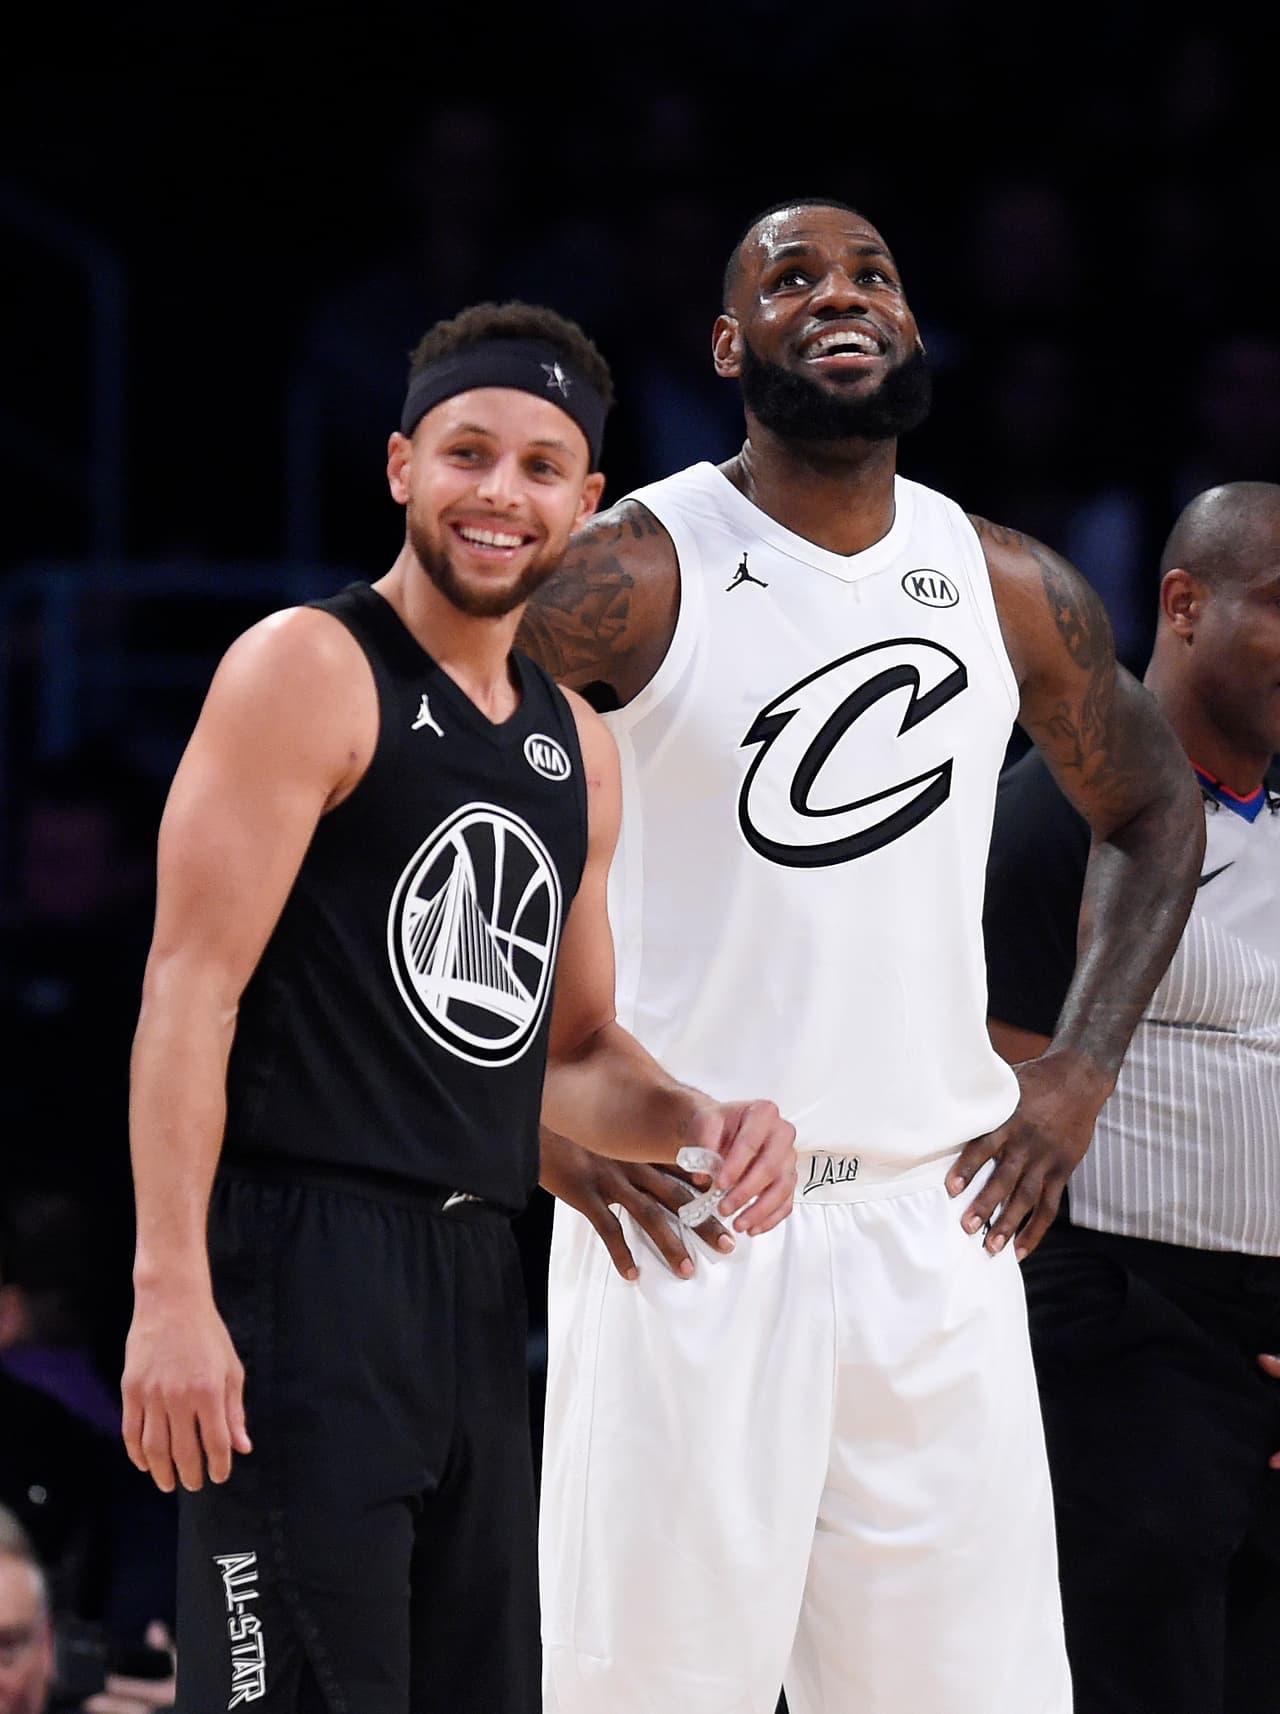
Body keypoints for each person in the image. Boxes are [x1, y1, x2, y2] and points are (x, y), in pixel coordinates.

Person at [516, 198, 1206, 1714]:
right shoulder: (632, 570)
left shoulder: (1004, 578)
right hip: (688, 1227)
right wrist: (531, 1116)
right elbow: (416, 803)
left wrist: (1079, 1071)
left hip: (931, 1230)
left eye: (874, 274)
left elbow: (1156, 812)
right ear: (727, 345)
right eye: (793, 277)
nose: (843, 295)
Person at [119, 300, 797, 1714]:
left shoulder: (581, 746)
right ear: (400, 466)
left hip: (482, 1279)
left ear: (587, 503)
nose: (502, 492)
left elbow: (576, 1051)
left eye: (543, 466)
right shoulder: (307, 666)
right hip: (297, 1269)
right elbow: (191, 987)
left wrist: (700, 1114)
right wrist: (170, 1285)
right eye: (469, 453)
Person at [983, 480, 1280, 1714]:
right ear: (1181, 603)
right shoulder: (1056, 813)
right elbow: (991, 1119)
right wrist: (1079, 1342)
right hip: (1118, 1331)